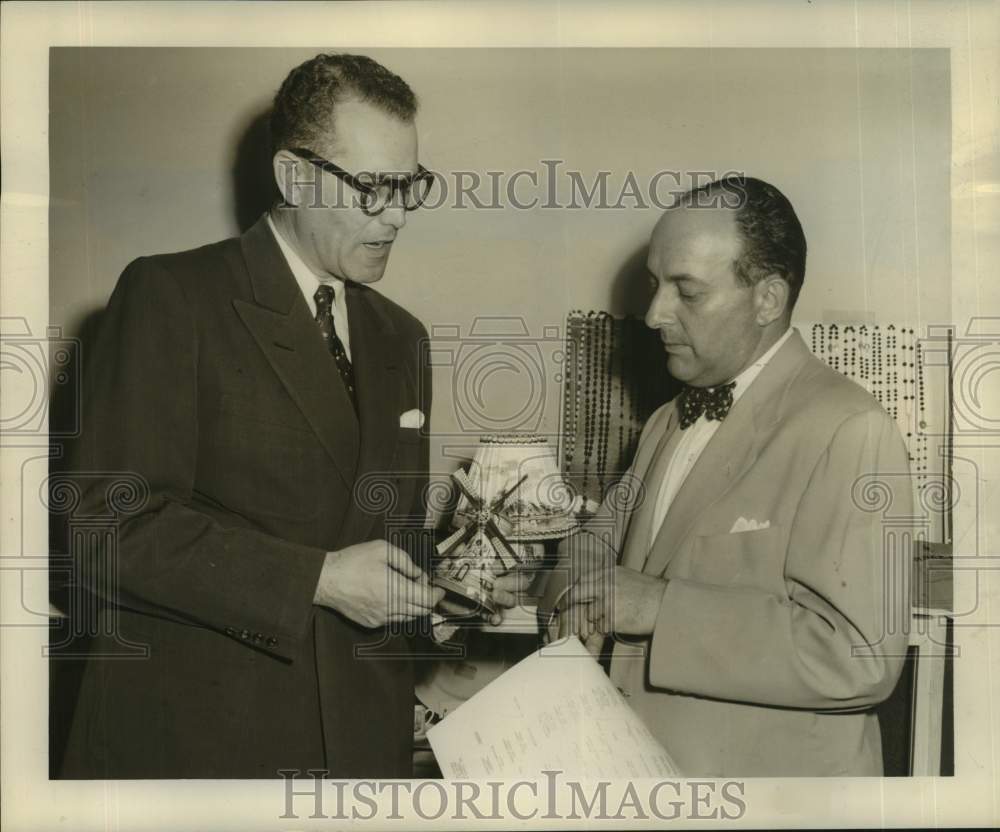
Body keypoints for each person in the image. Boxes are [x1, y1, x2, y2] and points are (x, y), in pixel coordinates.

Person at [57, 53, 446, 778]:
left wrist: (451, 580)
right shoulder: (173, 295)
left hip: (358, 752)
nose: (398, 213)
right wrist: (316, 580)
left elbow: (370, 538)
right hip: (205, 745)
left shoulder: (404, 337)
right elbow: (102, 525)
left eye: (410, 185)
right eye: (374, 188)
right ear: (294, 177)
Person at [552, 177, 913, 777]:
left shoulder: (849, 426)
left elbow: (862, 658)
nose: (652, 314)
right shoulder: (668, 420)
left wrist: (662, 608)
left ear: (768, 300)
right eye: (654, 284)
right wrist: (577, 598)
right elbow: (594, 543)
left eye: (686, 292)